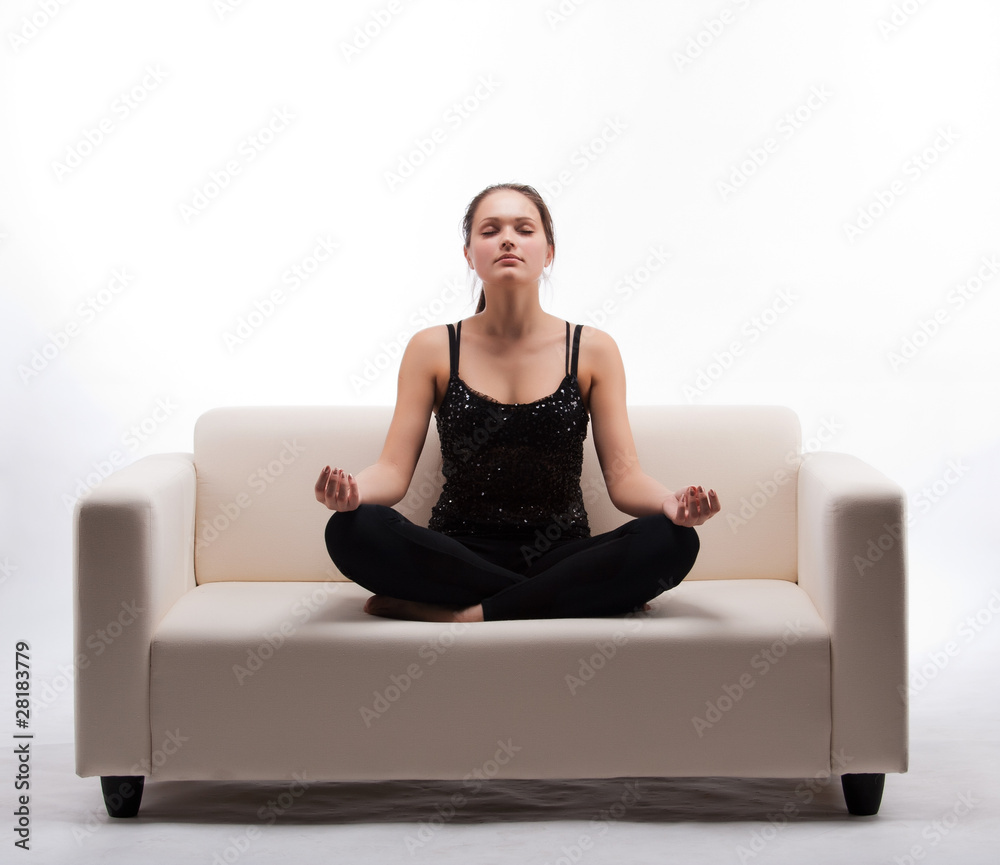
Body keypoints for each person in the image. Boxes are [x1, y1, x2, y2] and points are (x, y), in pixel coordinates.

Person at [315, 182, 720, 623]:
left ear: (549, 252)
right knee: (352, 529)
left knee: (673, 540)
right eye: (490, 230)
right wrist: (355, 493)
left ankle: (465, 614)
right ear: (469, 254)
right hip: (458, 553)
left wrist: (669, 503)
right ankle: (563, 598)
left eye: (524, 229)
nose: (507, 239)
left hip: (561, 552)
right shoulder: (431, 348)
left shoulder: (593, 349)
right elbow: (392, 471)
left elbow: (625, 479)